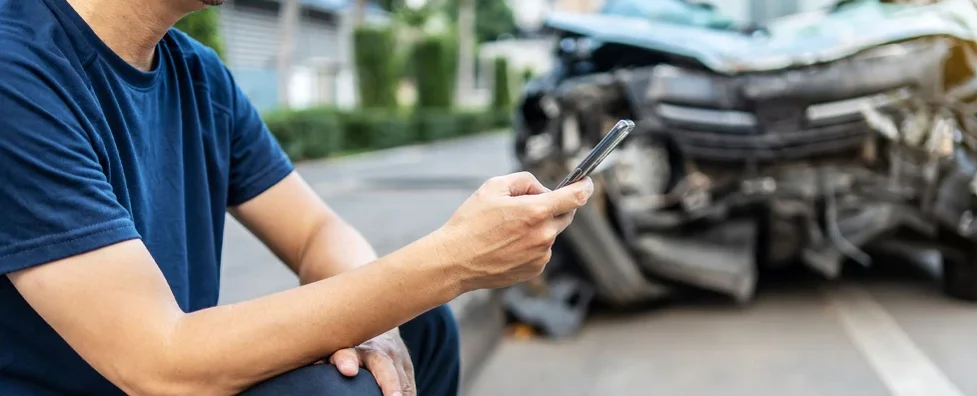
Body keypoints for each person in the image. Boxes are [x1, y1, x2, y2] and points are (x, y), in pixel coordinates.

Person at [0, 0, 595, 395]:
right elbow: (158, 360)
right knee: (337, 391)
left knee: (420, 328)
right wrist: (452, 262)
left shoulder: (197, 75)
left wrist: (377, 325)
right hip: (146, 378)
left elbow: (316, 233)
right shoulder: (16, 70)